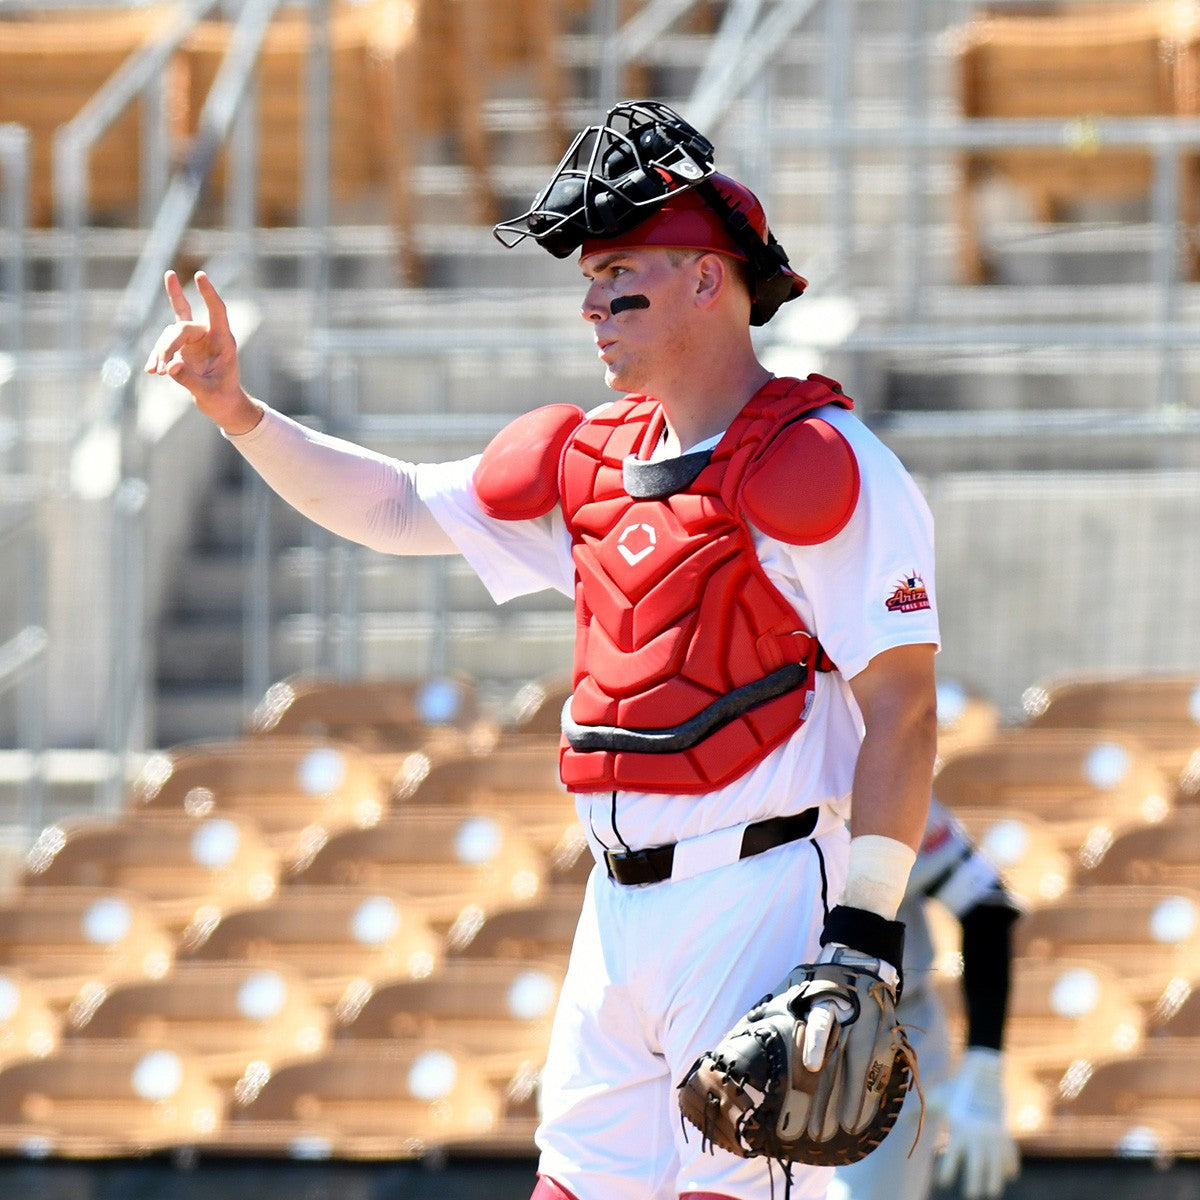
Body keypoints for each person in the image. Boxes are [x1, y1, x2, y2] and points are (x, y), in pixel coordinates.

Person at [145, 101, 940, 1200]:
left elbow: (902, 704)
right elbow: (396, 511)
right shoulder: (589, 458)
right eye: (588, 280)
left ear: (711, 282)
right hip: (615, 904)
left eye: (621, 275)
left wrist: (861, 932)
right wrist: (238, 410)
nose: (592, 305)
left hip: (758, 882)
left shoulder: (818, 460)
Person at [830, 795, 1022, 1200]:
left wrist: (984, 1063)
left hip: (881, 1043)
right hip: (751, 1037)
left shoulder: (863, 777)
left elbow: (985, 903)